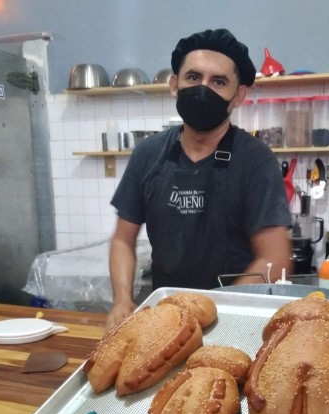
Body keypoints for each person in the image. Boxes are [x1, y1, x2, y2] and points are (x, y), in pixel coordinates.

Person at [106, 28, 292, 328]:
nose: (203, 89)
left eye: (218, 82)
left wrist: (220, 311)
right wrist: (122, 300)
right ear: (174, 84)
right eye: (193, 77)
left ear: (238, 96)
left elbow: (274, 257)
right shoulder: (147, 154)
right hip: (165, 320)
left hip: (235, 321)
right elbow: (122, 240)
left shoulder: (256, 160)